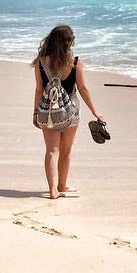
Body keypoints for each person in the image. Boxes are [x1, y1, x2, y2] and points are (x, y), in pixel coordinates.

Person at [31, 25, 103, 199]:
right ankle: (62, 185)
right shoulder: (75, 62)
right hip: (71, 112)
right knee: (66, 151)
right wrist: (95, 112)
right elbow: (83, 89)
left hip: (48, 113)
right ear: (68, 43)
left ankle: (53, 190)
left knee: (51, 151)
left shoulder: (41, 62)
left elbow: (39, 90)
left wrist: (35, 113)